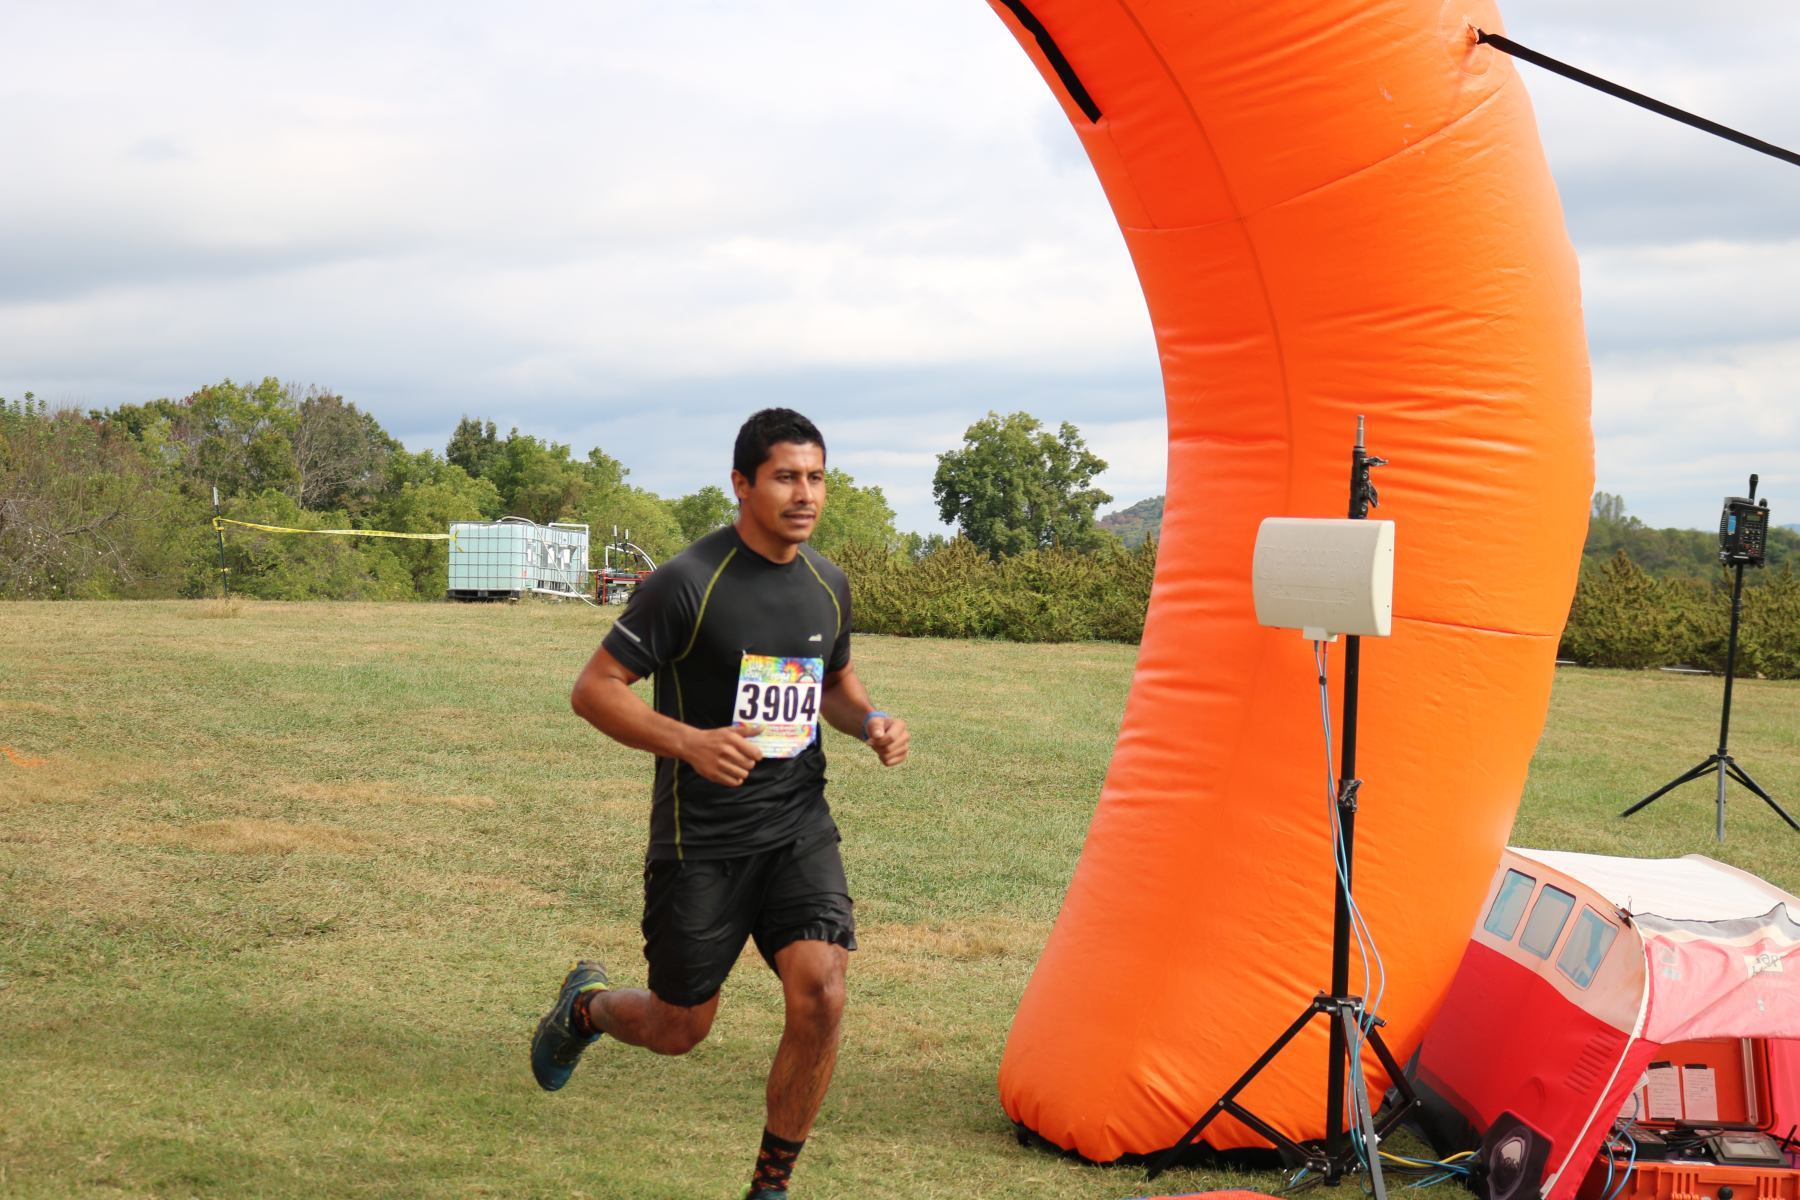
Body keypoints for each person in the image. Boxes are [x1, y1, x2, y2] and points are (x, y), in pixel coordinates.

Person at [531, 408, 909, 1199]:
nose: (805, 494)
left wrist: (870, 720)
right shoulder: (688, 582)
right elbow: (594, 690)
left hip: (798, 826)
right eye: (786, 477)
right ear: (741, 484)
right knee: (678, 1028)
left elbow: (833, 684)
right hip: (700, 838)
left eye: (816, 478)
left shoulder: (827, 584)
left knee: (823, 991)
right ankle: (587, 1009)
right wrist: (691, 743)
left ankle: (770, 1187)